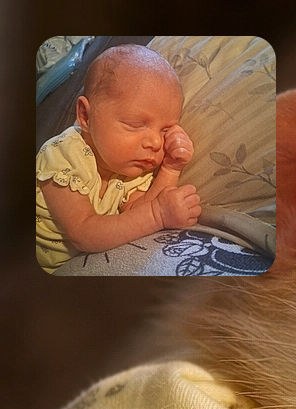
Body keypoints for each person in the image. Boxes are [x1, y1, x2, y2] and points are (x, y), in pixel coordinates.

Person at [35, 44, 201, 273]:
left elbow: (138, 213)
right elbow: (85, 234)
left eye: (165, 130)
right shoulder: (62, 156)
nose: (155, 142)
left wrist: (171, 168)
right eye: (135, 125)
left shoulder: (134, 169)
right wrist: (158, 215)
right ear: (85, 116)